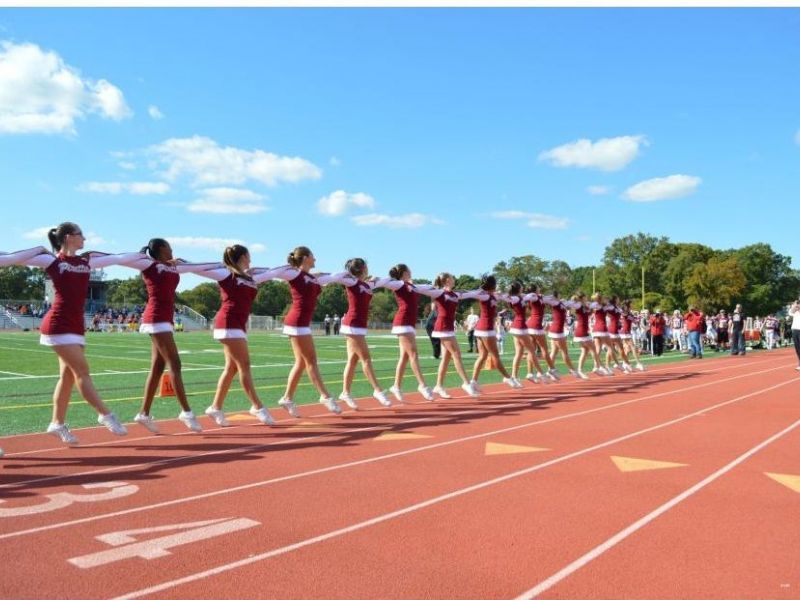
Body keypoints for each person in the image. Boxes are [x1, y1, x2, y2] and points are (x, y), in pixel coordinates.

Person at [1, 224, 133, 444]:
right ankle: (105, 414)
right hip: (57, 324)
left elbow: (119, 258)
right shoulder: (51, 260)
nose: (85, 239)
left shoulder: (86, 261)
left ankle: (57, 423)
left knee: (68, 376)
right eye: (81, 235)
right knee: (82, 371)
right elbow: (11, 258)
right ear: (69, 237)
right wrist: (39, 249)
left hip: (76, 326)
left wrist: (153, 259)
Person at [126, 238, 218, 434]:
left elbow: (196, 267)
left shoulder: (173, 266)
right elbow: (131, 259)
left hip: (165, 319)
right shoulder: (149, 265)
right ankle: (187, 412)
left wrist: (182, 262)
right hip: (155, 317)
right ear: (161, 249)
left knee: (158, 367)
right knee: (175, 363)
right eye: (169, 246)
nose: (172, 249)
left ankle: (143, 413)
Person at [193, 245, 279, 426]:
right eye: (248, 256)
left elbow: (272, 272)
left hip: (238, 325)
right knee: (244, 366)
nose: (251, 259)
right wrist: (178, 264)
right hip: (228, 322)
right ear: (243, 257)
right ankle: (258, 407)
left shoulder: (250, 277)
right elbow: (198, 269)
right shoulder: (226, 274)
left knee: (231, 368)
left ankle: (215, 407)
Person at [265, 246, 353, 416]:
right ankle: (325, 396)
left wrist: (347, 274)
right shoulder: (294, 274)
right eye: (313, 256)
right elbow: (273, 273)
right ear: (305, 258)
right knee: (311, 361)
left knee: (301, 363)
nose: (315, 259)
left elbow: (332, 277)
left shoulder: (313, 278)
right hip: (296, 322)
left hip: (302, 323)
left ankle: (287, 398)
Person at [336, 257, 392, 409]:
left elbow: (381, 281)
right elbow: (337, 277)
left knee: (353, 360)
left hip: (359, 326)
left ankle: (345, 392)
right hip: (352, 324)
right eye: (366, 266)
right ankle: (377, 390)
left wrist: (380, 279)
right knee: (366, 358)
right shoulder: (351, 281)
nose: (368, 268)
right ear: (361, 268)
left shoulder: (366, 284)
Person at [418, 272, 481, 398]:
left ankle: (439, 386)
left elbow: (470, 293)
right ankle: (466, 383)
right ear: (447, 280)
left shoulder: (455, 294)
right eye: (452, 277)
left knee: (446, 358)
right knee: (456, 354)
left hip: (449, 328)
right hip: (442, 327)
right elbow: (423, 290)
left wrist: (481, 291)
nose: (454, 279)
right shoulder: (439, 292)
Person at [384, 263, 435, 402]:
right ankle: (422, 385)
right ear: (404, 272)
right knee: (413, 355)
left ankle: (396, 386)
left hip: (409, 324)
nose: (411, 271)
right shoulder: (399, 284)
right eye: (408, 269)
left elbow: (426, 287)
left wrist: (435, 286)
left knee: (405, 357)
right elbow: (386, 282)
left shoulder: (412, 286)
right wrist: (373, 280)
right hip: (403, 322)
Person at [470, 275, 522, 391]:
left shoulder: (493, 295)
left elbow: (505, 296)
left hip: (482, 328)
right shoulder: (484, 295)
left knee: (482, 356)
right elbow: (474, 293)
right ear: (492, 285)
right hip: (485, 329)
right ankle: (508, 378)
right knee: (495, 356)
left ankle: (473, 382)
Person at [505, 281, 547, 385]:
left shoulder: (521, 296)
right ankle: (541, 373)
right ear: (518, 288)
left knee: (519, 353)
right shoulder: (515, 298)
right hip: (519, 327)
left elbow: (528, 296)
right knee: (532, 351)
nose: (523, 287)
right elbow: (508, 298)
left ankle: (514, 377)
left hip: (518, 326)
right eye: (521, 286)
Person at [525, 284, 559, 381]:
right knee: (544, 350)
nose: (539, 288)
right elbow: (528, 296)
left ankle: (530, 373)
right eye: (538, 287)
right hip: (535, 326)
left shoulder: (539, 297)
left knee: (532, 351)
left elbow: (548, 298)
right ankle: (552, 369)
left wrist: (554, 297)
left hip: (531, 325)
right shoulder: (534, 297)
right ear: (535, 290)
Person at [545, 291, 581, 379]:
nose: (560, 295)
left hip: (557, 330)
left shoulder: (562, 302)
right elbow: (548, 299)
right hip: (557, 330)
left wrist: (573, 299)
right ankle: (572, 370)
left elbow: (570, 303)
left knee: (554, 351)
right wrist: (553, 297)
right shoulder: (555, 302)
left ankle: (549, 371)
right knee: (564, 352)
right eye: (559, 294)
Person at [570, 293, 603, 378]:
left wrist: (592, 308)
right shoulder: (578, 305)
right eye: (585, 297)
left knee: (585, 351)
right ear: (582, 298)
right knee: (593, 350)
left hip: (584, 330)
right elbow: (572, 304)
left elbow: (591, 309)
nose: (587, 298)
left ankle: (580, 370)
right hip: (581, 331)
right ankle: (597, 367)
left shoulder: (585, 306)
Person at [590, 292, 618, 374]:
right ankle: (613, 365)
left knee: (598, 349)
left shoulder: (597, 306)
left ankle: (596, 366)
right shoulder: (601, 305)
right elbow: (611, 308)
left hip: (596, 329)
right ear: (600, 298)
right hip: (602, 328)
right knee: (610, 348)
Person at [620, 300, 645, 371]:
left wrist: (639, 316)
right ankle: (638, 363)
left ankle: (624, 363)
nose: (632, 305)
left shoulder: (629, 313)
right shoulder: (625, 312)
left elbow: (634, 321)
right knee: (633, 347)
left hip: (626, 332)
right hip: (625, 332)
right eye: (631, 304)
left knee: (627, 349)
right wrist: (637, 316)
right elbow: (626, 316)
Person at [789, 300, 800, 370]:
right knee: (797, 348)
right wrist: (795, 304)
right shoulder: (795, 312)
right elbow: (790, 312)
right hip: (794, 330)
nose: (798, 305)